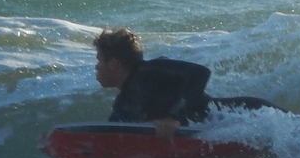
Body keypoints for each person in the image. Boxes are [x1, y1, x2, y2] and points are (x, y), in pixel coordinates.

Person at [93, 27, 280, 138]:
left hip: (247, 115)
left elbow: (200, 73)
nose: (96, 67)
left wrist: (174, 117)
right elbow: (114, 133)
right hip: (223, 130)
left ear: (114, 64)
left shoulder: (150, 71)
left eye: (99, 60)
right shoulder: (124, 103)